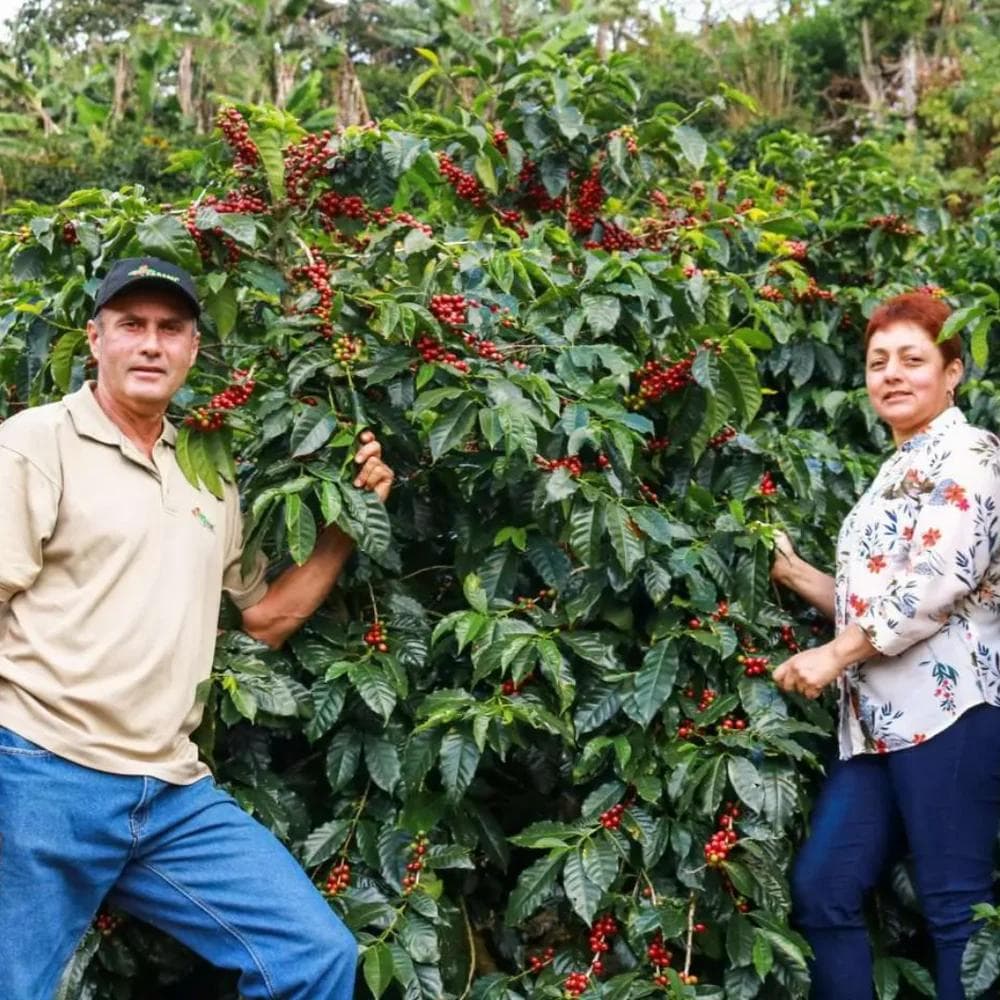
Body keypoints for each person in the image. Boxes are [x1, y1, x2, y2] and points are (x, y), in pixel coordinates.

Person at [0, 257, 394, 1000]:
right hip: (43, 775)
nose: (150, 344)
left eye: (170, 329)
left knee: (313, 958)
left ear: (192, 351)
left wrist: (349, 524)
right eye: (132, 326)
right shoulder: (34, 445)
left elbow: (265, 618)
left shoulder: (206, 466)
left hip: (171, 791)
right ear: (96, 339)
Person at [770, 291, 1000, 1000]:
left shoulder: (970, 454)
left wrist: (834, 655)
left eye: (913, 359)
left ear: (953, 371)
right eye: (878, 362)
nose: (892, 375)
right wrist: (796, 572)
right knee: (824, 889)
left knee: (954, 908)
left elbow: (937, 585)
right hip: (877, 725)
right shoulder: (896, 468)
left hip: (950, 711)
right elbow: (880, 601)